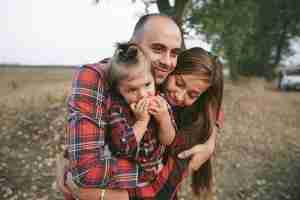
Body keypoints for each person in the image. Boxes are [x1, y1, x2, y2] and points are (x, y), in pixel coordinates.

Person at [57, 13, 222, 200]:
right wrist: (67, 156)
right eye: (158, 48)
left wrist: (211, 138)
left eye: (174, 53)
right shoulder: (98, 77)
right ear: (133, 45)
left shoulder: (167, 79)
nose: (168, 62)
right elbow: (87, 172)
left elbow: (208, 97)